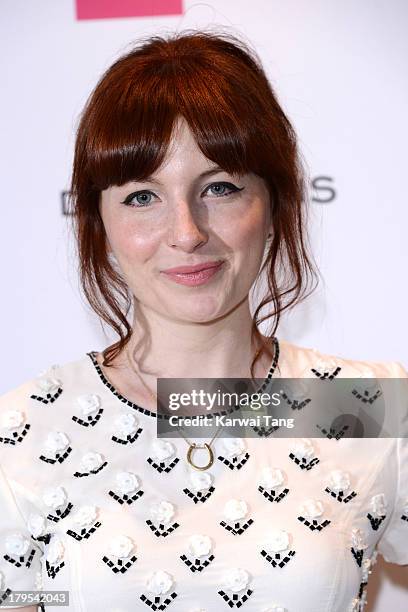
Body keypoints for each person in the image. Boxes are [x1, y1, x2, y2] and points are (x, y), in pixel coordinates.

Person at [0, 30, 407, 612]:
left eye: (219, 187)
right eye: (143, 196)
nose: (187, 233)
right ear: (100, 224)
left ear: (275, 205)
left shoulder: (368, 406)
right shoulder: (24, 431)